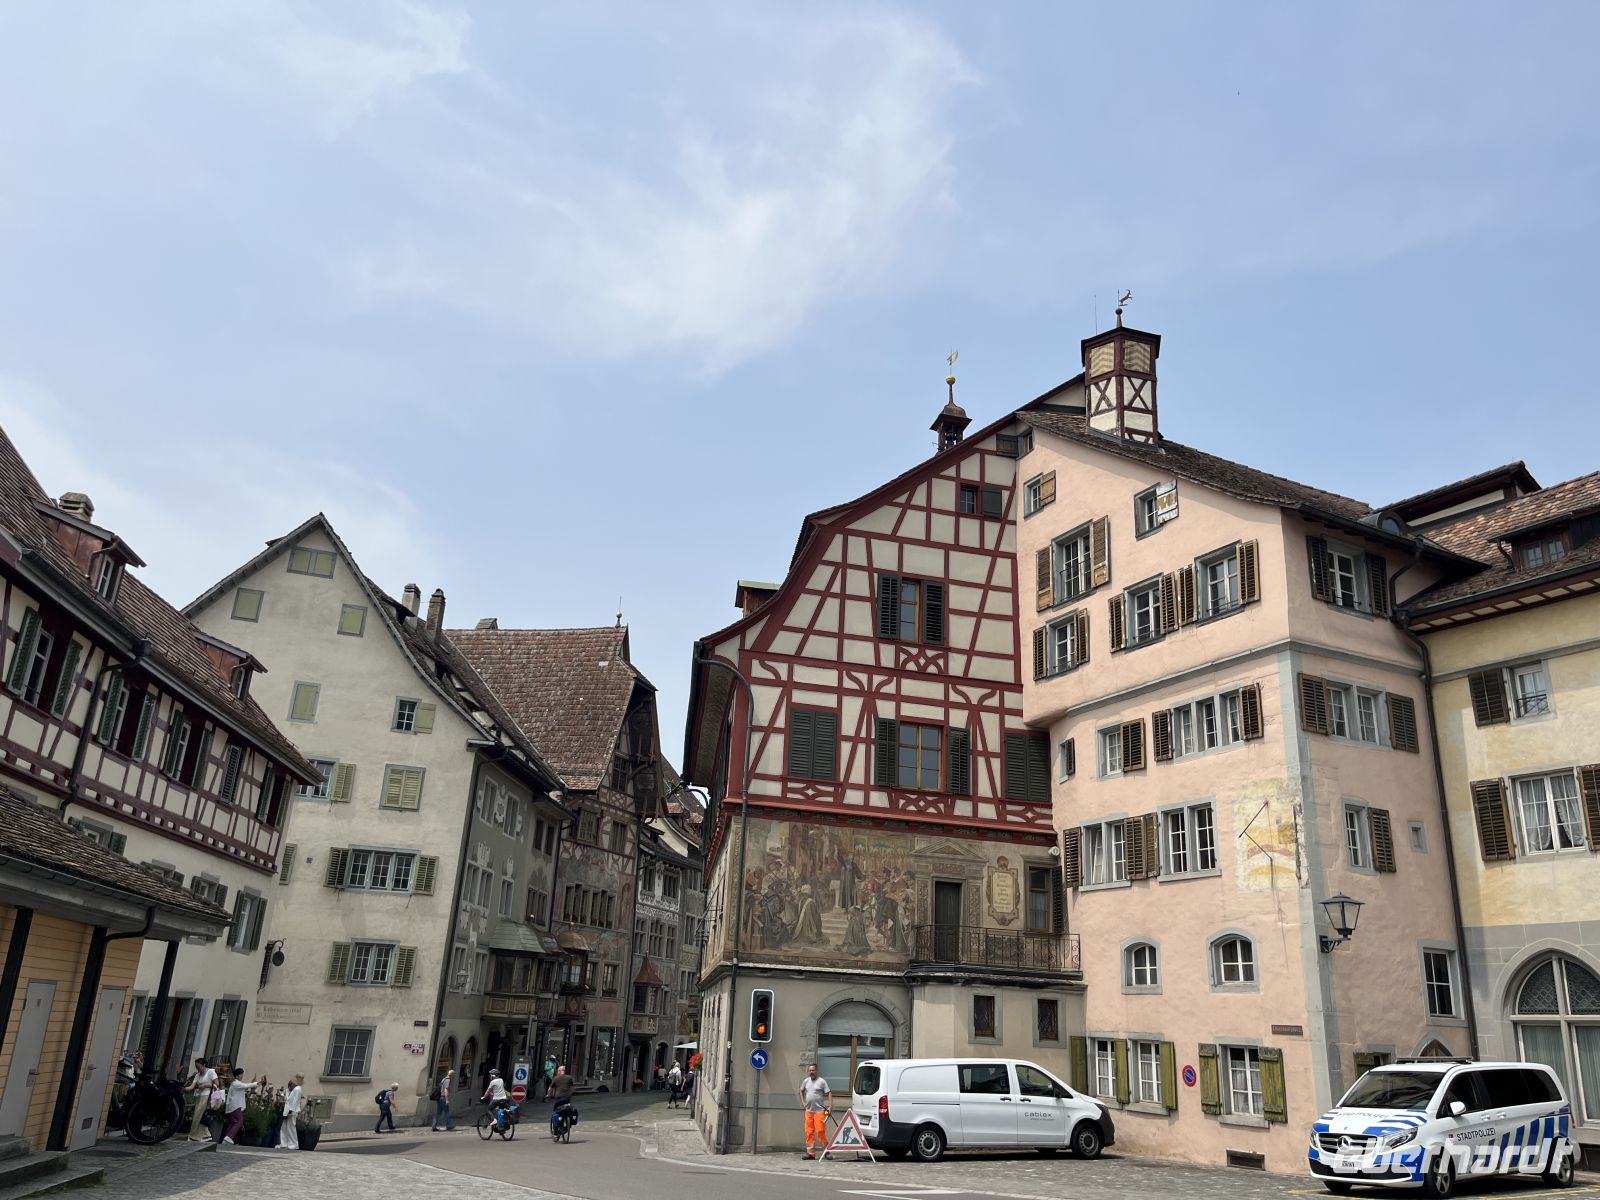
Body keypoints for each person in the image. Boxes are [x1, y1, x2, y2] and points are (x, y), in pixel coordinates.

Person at [797, 1062, 832, 1159]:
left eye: (813, 1070)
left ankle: (827, 1152)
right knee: (809, 1132)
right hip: (808, 1111)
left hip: (820, 1111)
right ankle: (811, 1153)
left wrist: (830, 1106)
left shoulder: (822, 1081)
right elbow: (801, 1090)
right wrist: (803, 1102)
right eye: (810, 1070)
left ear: (816, 1071)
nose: (811, 1072)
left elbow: (829, 1093)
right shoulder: (806, 1081)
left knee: (820, 1131)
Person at [220, 1068, 262, 1145]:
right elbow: (246, 1085)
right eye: (241, 1074)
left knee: (232, 1123)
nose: (242, 1076)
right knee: (239, 1121)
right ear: (238, 1075)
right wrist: (258, 1083)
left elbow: (246, 1087)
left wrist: (255, 1084)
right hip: (235, 1106)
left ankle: (226, 1139)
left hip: (232, 1107)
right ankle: (229, 1137)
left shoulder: (237, 1084)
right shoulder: (236, 1083)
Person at [185, 1057, 218, 1142]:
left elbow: (216, 1084)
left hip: (206, 1096)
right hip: (199, 1096)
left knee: (197, 1115)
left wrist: (205, 1085)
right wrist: (184, 1088)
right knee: (198, 1116)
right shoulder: (197, 1075)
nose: (197, 1068)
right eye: (196, 1067)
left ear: (204, 1065)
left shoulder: (211, 1072)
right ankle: (205, 1135)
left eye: (198, 1066)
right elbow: (192, 1086)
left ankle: (193, 1135)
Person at [276, 1074, 304, 1150]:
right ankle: (284, 1143)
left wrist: (291, 1110)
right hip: (287, 1111)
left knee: (291, 1128)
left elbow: (295, 1101)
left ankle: (293, 1144)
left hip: (292, 1111)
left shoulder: (297, 1089)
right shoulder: (289, 1090)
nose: (289, 1084)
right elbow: (287, 1099)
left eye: (291, 1083)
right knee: (284, 1127)